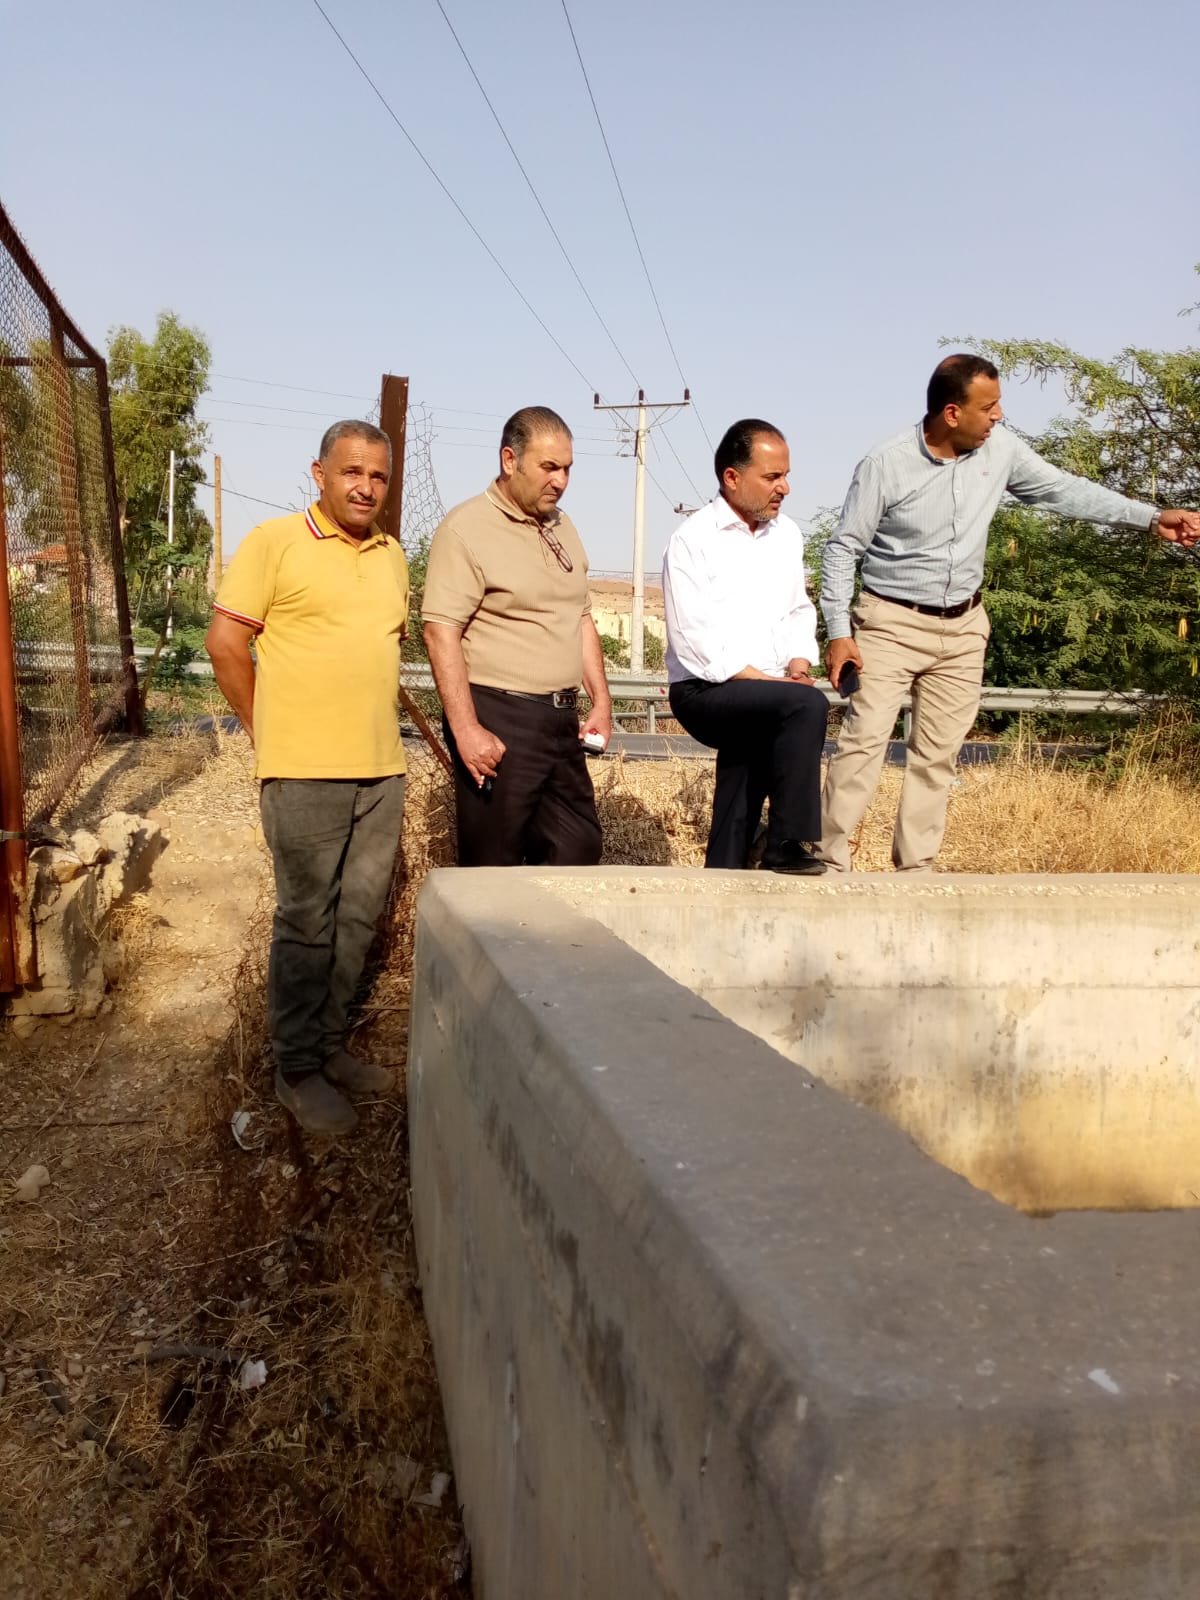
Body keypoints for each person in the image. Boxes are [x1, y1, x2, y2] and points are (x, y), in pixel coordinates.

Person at [818, 354, 1200, 874]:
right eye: (989, 406)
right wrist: (839, 632)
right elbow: (843, 549)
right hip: (890, 623)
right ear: (952, 413)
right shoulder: (885, 464)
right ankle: (827, 865)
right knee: (863, 746)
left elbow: (1065, 490)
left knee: (937, 757)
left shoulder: (1001, 450)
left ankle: (916, 874)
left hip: (964, 628)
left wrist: (1152, 519)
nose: (998, 415)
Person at [205, 420, 409, 1136]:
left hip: (382, 769)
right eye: (352, 471)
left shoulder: (392, 556)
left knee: (358, 916)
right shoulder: (275, 542)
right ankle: (294, 1068)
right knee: (306, 920)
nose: (366, 487)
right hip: (303, 772)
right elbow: (225, 643)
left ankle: (327, 1047)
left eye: (378, 476)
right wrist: (265, 729)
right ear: (319, 473)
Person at [422, 405, 612, 866]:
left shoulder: (563, 526)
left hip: (560, 719)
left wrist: (601, 702)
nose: (560, 481)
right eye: (549, 467)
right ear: (510, 460)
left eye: (567, 468)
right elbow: (440, 631)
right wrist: (466, 729)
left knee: (579, 851)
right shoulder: (465, 529)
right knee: (494, 864)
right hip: (499, 715)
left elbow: (581, 616)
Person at [663, 419, 828, 873]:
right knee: (806, 706)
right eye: (772, 477)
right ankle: (786, 841)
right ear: (732, 477)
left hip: (766, 689)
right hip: (704, 690)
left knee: (745, 772)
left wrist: (798, 664)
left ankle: (724, 872)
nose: (785, 488)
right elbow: (693, 640)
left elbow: (798, 609)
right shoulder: (692, 540)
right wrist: (776, 686)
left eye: (786, 475)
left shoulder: (786, 534)